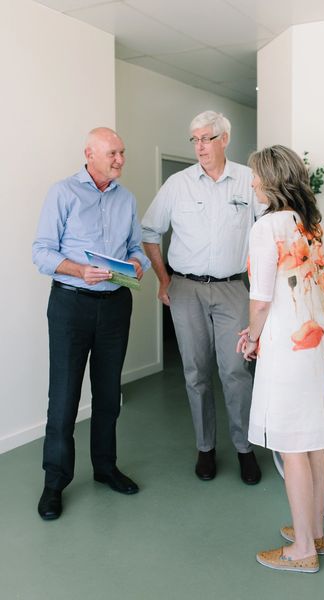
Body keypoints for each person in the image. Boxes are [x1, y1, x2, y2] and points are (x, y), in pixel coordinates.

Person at [32, 127, 150, 520]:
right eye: (112, 153)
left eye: (122, 152)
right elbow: (42, 252)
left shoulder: (126, 198)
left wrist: (138, 264)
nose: (120, 159)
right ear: (90, 154)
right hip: (71, 305)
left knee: (108, 395)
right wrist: (79, 270)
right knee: (64, 398)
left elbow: (136, 248)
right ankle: (54, 483)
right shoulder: (62, 193)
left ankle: (105, 467)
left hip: (116, 305)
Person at [142, 110, 262, 484]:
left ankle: (244, 448)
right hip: (186, 289)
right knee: (195, 372)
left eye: (206, 138)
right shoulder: (177, 184)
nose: (199, 147)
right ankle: (205, 448)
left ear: (225, 139)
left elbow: (268, 233)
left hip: (232, 287)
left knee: (236, 371)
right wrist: (164, 281)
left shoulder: (248, 181)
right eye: (194, 139)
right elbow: (149, 232)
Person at [237, 145, 324, 573]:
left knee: (292, 444)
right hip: (317, 343)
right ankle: (314, 531)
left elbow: (260, 300)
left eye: (257, 175)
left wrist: (251, 337)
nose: (253, 182)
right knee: (312, 440)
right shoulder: (309, 224)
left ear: (273, 180)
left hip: (288, 346)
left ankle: (303, 552)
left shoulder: (267, 226)